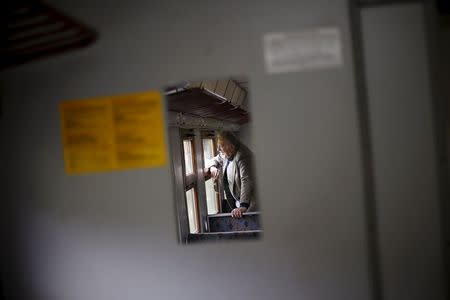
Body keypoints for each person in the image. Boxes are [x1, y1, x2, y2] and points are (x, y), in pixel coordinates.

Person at [205, 131, 256, 218]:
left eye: (220, 146)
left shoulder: (243, 156)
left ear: (231, 146)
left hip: (251, 204)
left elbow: (246, 180)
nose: (218, 149)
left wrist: (243, 206)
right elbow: (215, 159)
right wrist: (213, 167)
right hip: (238, 203)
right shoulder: (227, 153)